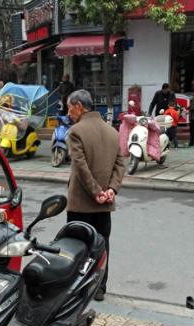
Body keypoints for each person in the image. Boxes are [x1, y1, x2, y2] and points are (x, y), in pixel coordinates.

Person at [66, 89, 125, 301]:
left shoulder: (76, 131)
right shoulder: (112, 131)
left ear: (79, 106)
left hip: (82, 203)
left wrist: (96, 191)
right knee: (102, 245)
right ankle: (100, 288)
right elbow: (120, 163)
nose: (68, 112)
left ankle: (80, 288)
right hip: (104, 203)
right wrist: (111, 189)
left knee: (78, 246)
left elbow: (80, 167)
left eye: (70, 107)